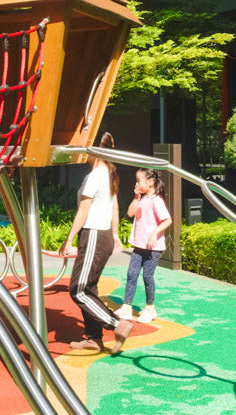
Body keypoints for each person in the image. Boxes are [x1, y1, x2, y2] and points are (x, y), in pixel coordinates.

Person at [60, 133, 128, 354]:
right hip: (104, 234)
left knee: (78, 290)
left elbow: (84, 211)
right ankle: (94, 338)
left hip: (95, 235)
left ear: (94, 150)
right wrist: (115, 234)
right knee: (89, 288)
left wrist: (69, 239)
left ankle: (118, 324)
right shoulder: (107, 174)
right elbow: (114, 206)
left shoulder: (96, 176)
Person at [117, 168, 171, 326]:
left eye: (139, 180)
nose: (137, 183)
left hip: (153, 248)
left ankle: (150, 308)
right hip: (140, 246)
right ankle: (126, 307)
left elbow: (167, 220)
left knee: (147, 277)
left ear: (150, 182)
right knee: (131, 275)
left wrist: (155, 232)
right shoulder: (142, 199)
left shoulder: (156, 201)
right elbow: (130, 213)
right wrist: (136, 197)